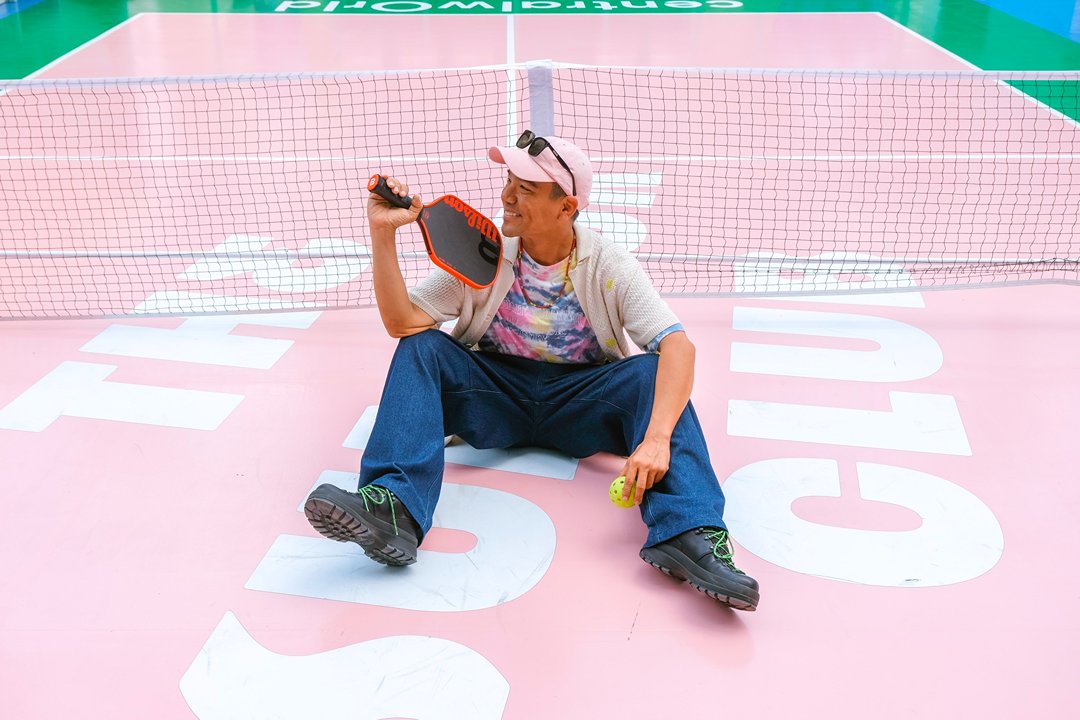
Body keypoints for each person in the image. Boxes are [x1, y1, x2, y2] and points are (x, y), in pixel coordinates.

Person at [303, 130, 760, 611]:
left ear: (567, 207)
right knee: (423, 346)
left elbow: (679, 346)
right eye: (508, 182)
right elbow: (402, 322)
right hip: (493, 395)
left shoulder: (608, 264)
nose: (506, 197)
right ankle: (393, 507)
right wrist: (383, 235)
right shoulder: (483, 251)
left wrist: (657, 439)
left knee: (654, 371)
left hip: (581, 403)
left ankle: (691, 531)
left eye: (524, 189)